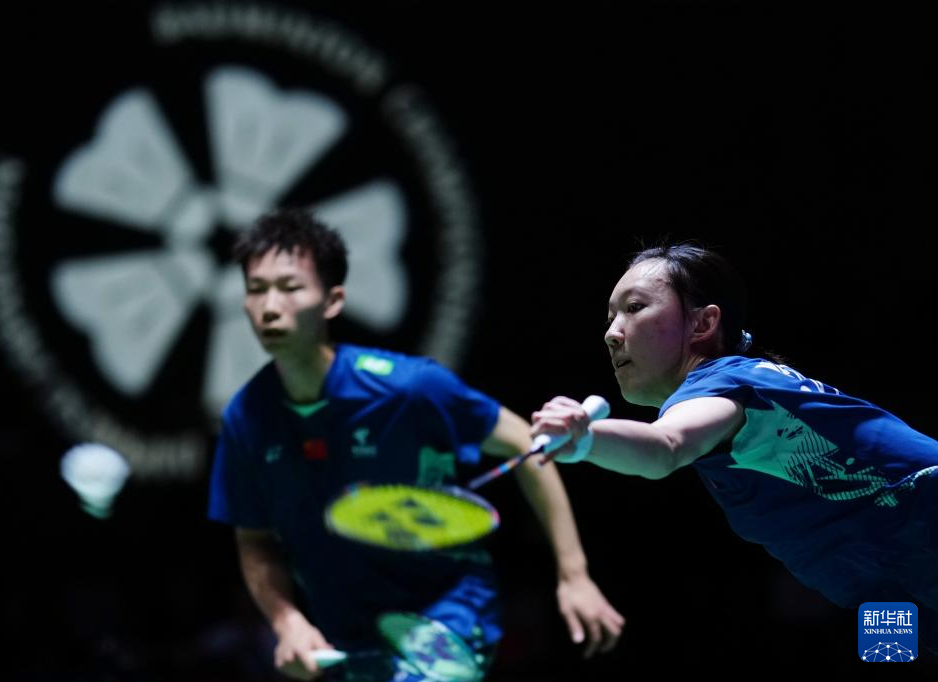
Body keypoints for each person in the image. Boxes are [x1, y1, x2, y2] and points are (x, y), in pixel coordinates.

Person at [207, 207, 625, 681]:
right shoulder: (245, 419)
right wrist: (287, 622)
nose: (269, 306)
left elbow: (529, 449)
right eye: (256, 289)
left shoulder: (408, 388)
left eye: (289, 287)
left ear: (332, 300)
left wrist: (574, 575)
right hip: (345, 633)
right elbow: (254, 538)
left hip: (447, 612)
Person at [530, 241, 938, 655]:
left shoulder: (723, 383)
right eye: (610, 318)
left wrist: (586, 439)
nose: (611, 333)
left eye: (634, 308)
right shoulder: (734, 408)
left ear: (703, 324)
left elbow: (665, 447)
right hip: (889, 586)